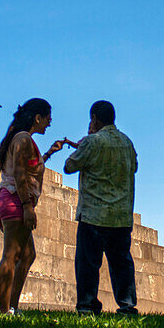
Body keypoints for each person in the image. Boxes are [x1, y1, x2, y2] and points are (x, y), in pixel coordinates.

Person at [0, 98, 70, 314]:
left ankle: (12, 306)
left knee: (27, 254)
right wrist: (27, 206)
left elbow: (30, 167)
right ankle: (3, 309)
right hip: (15, 200)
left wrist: (49, 153)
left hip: (6, 200)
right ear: (37, 118)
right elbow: (19, 173)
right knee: (11, 255)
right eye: (47, 119)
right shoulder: (24, 138)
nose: (49, 123)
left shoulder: (19, 138)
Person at [63, 100, 139, 315]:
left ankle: (87, 305)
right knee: (121, 263)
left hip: (94, 214)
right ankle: (127, 305)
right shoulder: (128, 143)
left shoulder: (91, 142)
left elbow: (69, 166)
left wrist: (85, 142)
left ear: (94, 118)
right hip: (121, 215)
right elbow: (134, 167)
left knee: (88, 263)